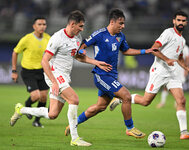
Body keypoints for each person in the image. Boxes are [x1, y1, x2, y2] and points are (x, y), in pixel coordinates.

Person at [10, 10, 112, 146]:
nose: (82, 29)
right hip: (54, 74)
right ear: (72, 24)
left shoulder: (77, 37)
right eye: (80, 26)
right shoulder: (57, 37)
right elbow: (44, 61)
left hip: (64, 75)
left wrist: (96, 62)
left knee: (52, 114)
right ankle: (75, 138)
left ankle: (21, 110)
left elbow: (77, 56)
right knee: (74, 99)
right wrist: (54, 82)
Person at [109, 10, 189, 140]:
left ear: (186, 22)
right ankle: (122, 99)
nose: (181, 23)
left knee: (181, 100)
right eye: (178, 20)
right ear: (174, 21)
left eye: (183, 21)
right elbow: (154, 49)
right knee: (146, 101)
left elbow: (179, 57)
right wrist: (167, 59)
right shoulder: (168, 33)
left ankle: (184, 132)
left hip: (172, 73)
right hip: (160, 70)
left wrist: (187, 67)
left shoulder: (182, 40)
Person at [64, 8, 153, 139]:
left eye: (123, 23)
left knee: (100, 107)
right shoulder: (99, 34)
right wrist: (83, 53)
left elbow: (126, 51)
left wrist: (146, 51)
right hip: (101, 75)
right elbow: (82, 46)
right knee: (126, 96)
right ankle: (130, 128)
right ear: (112, 22)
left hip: (112, 75)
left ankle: (73, 123)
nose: (123, 26)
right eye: (120, 23)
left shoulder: (120, 36)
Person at [11, 17, 50, 127]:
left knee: (43, 97)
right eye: (39, 24)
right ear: (34, 26)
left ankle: (37, 121)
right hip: (28, 71)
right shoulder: (27, 39)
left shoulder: (48, 38)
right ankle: (27, 106)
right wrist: (14, 70)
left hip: (42, 71)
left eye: (44, 24)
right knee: (36, 96)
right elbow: (15, 52)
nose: (42, 26)